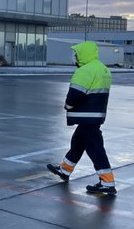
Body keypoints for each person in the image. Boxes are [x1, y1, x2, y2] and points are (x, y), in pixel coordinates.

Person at [47, 41, 116, 195]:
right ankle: (65, 170)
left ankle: (107, 182)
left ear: (83, 54)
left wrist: (68, 105)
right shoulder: (102, 69)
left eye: (77, 54)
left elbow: (75, 94)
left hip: (86, 116)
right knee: (78, 143)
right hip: (95, 115)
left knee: (95, 149)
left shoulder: (85, 71)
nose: (75, 57)